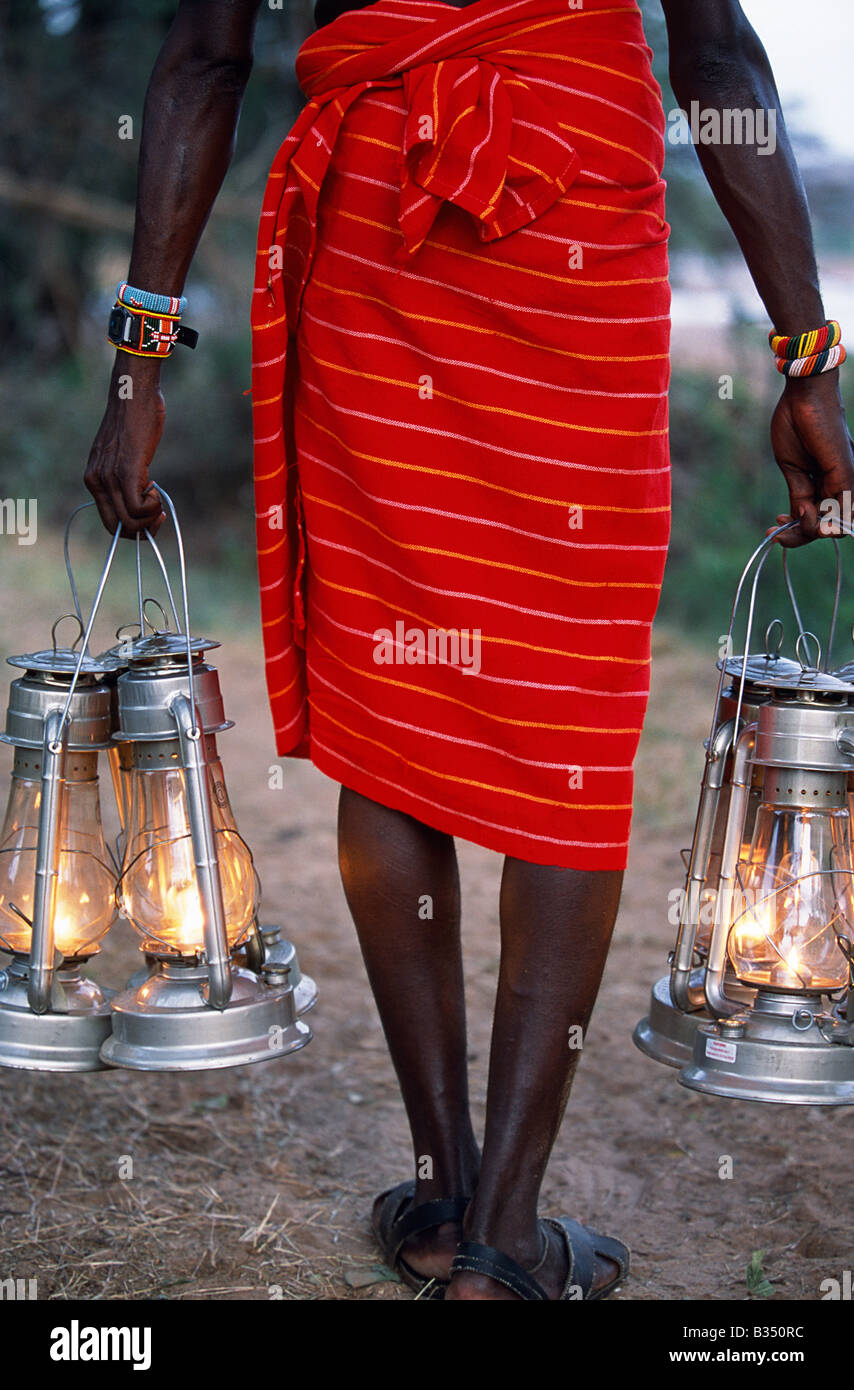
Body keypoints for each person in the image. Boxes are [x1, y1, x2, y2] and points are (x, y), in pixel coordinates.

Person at [85, 0, 854, 1301]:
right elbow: (714, 56)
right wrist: (803, 357)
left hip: (387, 211)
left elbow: (206, 54)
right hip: (575, 195)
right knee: (572, 700)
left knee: (392, 707)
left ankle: (447, 1201)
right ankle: (500, 1238)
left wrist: (137, 366)